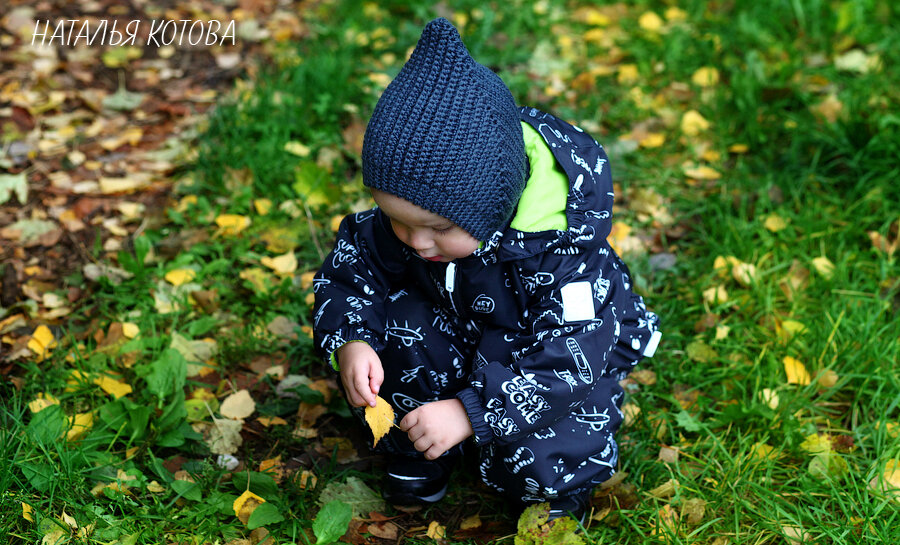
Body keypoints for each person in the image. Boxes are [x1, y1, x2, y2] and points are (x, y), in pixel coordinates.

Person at [312, 17, 660, 521]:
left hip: (540, 359)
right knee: (397, 331)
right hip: (458, 330)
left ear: (492, 205)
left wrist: (470, 412)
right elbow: (350, 272)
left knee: (567, 423)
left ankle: (552, 497)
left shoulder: (564, 257)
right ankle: (415, 451)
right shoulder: (411, 228)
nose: (415, 241)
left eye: (436, 227)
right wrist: (351, 340)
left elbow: (569, 361)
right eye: (397, 221)